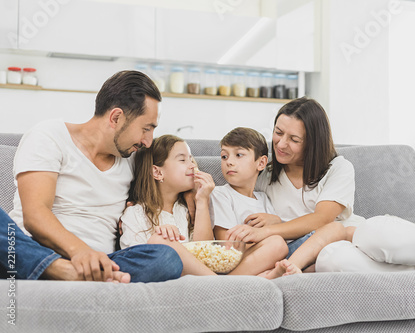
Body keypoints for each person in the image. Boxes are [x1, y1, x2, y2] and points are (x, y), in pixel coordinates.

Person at [224, 97, 415, 276]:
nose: (281, 144)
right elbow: (232, 184)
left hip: (356, 234)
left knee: (377, 232)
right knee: (332, 262)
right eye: (278, 133)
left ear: (313, 142)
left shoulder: (338, 168)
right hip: (320, 250)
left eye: (294, 139)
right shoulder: (264, 172)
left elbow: (323, 218)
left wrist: (272, 227)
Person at [0, 70, 184, 283]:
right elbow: (35, 215)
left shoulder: (134, 159)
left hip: (104, 261)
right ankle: (59, 269)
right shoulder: (49, 135)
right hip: (30, 249)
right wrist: (81, 253)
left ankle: (80, 273)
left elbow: (170, 177)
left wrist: (193, 195)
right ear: (116, 117)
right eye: (146, 129)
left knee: (167, 258)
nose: (148, 141)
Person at [120, 134, 217, 276]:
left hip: (198, 280)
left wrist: (202, 200)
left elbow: (206, 255)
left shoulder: (188, 209)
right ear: (157, 172)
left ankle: (217, 283)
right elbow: (137, 262)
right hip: (161, 278)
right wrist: (161, 240)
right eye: (182, 160)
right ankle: (219, 284)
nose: (192, 165)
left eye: (191, 159)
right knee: (163, 240)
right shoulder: (135, 214)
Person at [210, 127, 289, 276]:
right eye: (224, 156)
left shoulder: (264, 199)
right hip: (232, 261)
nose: (229, 162)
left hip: (260, 258)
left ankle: (265, 276)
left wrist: (276, 220)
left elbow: (279, 232)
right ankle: (228, 283)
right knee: (277, 245)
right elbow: (227, 246)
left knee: (283, 249)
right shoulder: (220, 194)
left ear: (261, 163)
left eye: (239, 155)